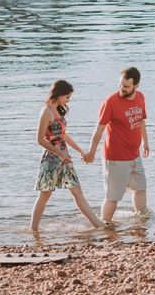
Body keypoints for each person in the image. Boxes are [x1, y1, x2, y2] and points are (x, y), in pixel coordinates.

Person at [30, 80, 103, 232]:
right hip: (51, 159)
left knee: (77, 193)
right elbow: (39, 140)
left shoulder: (57, 110)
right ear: (59, 94)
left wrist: (80, 150)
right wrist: (59, 152)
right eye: (67, 97)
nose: (68, 100)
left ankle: (98, 225)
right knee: (45, 195)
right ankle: (33, 230)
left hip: (65, 158)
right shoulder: (46, 112)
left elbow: (63, 135)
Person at [84, 67, 149, 223]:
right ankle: (105, 224)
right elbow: (99, 130)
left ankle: (141, 221)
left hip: (135, 155)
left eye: (126, 86)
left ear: (136, 86)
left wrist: (145, 142)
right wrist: (91, 152)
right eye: (120, 84)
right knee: (113, 196)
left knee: (140, 188)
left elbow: (141, 121)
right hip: (116, 158)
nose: (122, 88)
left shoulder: (140, 97)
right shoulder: (111, 102)